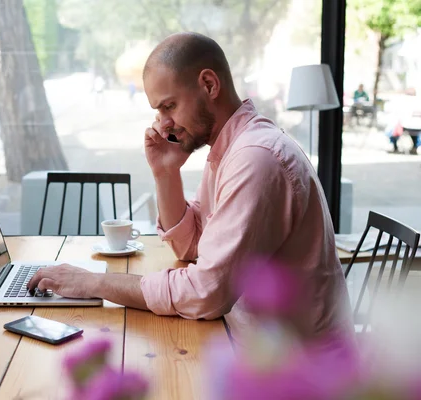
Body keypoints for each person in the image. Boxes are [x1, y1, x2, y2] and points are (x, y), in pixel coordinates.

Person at [28, 32, 353, 344]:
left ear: (209, 84)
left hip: (299, 373)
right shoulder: (231, 149)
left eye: (168, 106)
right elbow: (192, 246)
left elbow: (207, 292)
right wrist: (166, 173)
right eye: (158, 111)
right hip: (250, 344)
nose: (162, 123)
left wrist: (94, 283)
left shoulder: (255, 159)